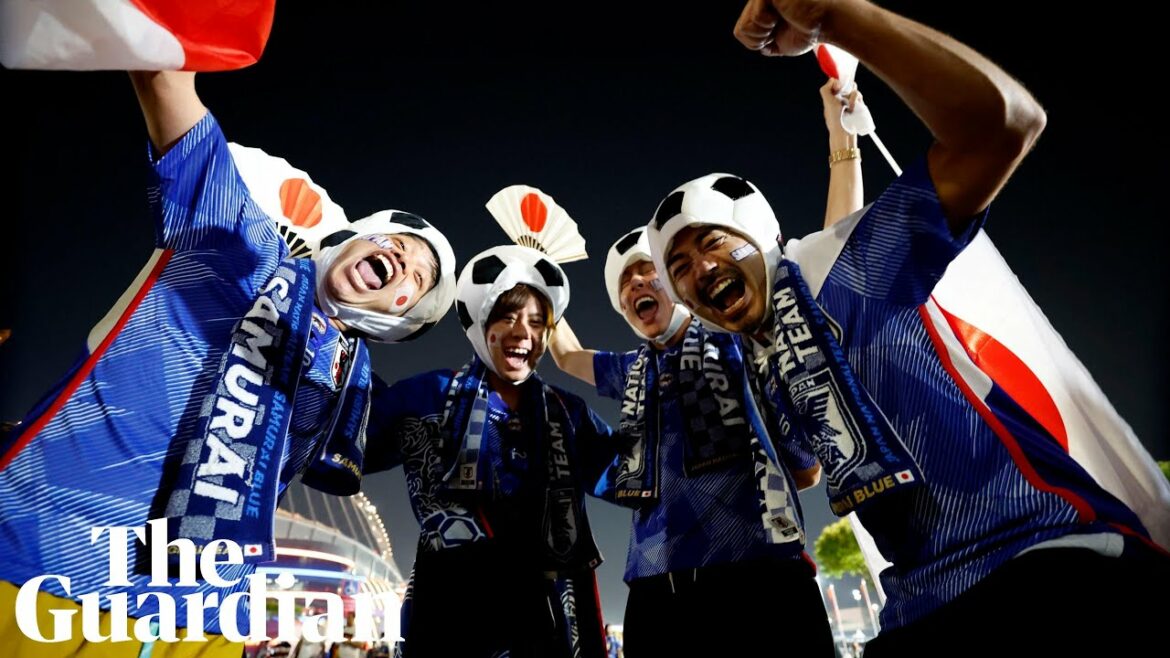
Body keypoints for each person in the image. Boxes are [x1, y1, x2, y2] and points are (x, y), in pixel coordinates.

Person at [645, 0, 1170, 655]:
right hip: (919, 602)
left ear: (763, 238)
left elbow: (1003, 124)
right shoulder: (764, 365)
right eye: (681, 267)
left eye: (713, 243)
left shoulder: (854, 261)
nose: (700, 269)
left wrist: (837, 17)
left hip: (1038, 551)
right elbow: (805, 468)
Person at [0, 70, 457, 657]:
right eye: (394, 242)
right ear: (351, 240)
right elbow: (183, 124)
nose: (400, 257)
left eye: (419, 277)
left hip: (203, 612)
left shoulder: (345, 386)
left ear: (402, 320)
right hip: (54, 556)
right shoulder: (240, 251)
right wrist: (164, 50)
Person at [546, 80, 864, 658]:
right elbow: (566, 356)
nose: (639, 284)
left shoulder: (740, 333)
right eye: (626, 285)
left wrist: (843, 146)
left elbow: (820, 274)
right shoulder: (631, 370)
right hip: (655, 584)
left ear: (678, 291)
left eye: (650, 273)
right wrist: (538, 278)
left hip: (760, 572)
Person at [364, 245, 618, 658]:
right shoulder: (428, 395)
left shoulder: (569, 414)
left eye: (537, 322)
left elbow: (630, 478)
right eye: (506, 317)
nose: (522, 333)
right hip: (448, 606)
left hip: (544, 612)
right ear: (481, 323)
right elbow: (349, 446)